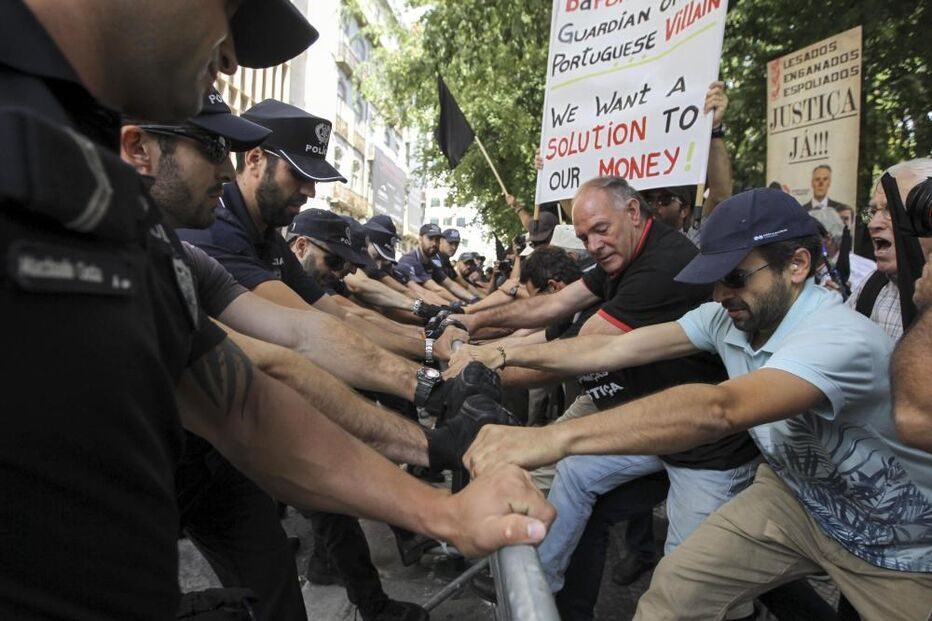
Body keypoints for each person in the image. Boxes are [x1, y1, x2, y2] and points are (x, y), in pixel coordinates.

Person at [1, 2, 555, 619]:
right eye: (227, 8)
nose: (230, 56)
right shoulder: (183, 220)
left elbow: (248, 396)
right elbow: (284, 356)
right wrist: (432, 390)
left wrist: (441, 500)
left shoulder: (115, 197)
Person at [463, 188, 932, 620]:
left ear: (797, 265)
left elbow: (719, 409)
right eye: (714, 280)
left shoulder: (839, 339)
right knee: (673, 597)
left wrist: (552, 439)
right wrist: (499, 354)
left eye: (735, 277)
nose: (722, 294)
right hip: (797, 499)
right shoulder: (725, 317)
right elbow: (609, 349)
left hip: (901, 547)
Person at [451, 177, 761, 621]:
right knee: (575, 471)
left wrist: (486, 362)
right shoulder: (629, 262)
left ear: (633, 212)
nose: (592, 246)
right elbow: (556, 316)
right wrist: (472, 326)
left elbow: (586, 350)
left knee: (685, 590)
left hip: (709, 451)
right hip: (650, 417)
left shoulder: (665, 266)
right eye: (583, 237)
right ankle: (538, 593)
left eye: (600, 229)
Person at [398, 223, 474, 303]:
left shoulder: (430, 263)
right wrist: (459, 303)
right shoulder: (410, 260)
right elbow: (437, 290)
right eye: (430, 238)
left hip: (424, 304)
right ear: (420, 239)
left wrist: (474, 299)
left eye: (437, 240)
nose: (434, 243)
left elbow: (450, 284)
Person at [809, 206, 875, 292]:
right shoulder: (807, 269)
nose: (801, 243)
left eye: (808, 237)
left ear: (827, 239)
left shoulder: (862, 271)